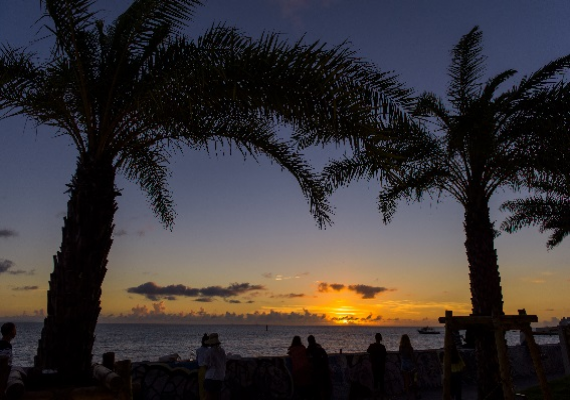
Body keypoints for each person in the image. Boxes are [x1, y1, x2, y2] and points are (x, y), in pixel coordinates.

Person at [306, 335, 332, 400]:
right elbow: (326, 359)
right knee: (325, 390)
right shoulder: (320, 349)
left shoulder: (309, 350)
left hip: (316, 373)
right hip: (324, 372)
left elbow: (308, 361)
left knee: (317, 391)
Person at [203, 333, 226, 400]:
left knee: (209, 397)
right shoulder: (222, 351)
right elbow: (224, 362)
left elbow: (205, 365)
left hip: (211, 377)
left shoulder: (209, 352)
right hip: (220, 377)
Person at [399, 334, 419, 400]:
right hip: (410, 365)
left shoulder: (400, 347)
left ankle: (408, 396)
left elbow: (400, 355)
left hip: (403, 365)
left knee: (406, 382)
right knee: (414, 381)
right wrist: (416, 364)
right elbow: (412, 357)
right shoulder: (410, 348)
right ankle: (415, 395)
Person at [367, 333, 387, 399]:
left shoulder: (372, 346)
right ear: (380, 339)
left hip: (375, 366)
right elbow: (385, 355)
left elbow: (368, 351)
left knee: (375, 380)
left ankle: (376, 395)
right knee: (381, 381)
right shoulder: (382, 347)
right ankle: (381, 395)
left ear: (375, 338)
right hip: (381, 366)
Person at [196, 333, 209, 400]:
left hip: (201, 370)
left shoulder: (198, 350)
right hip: (208, 370)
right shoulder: (209, 351)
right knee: (208, 390)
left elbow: (197, 361)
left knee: (201, 389)